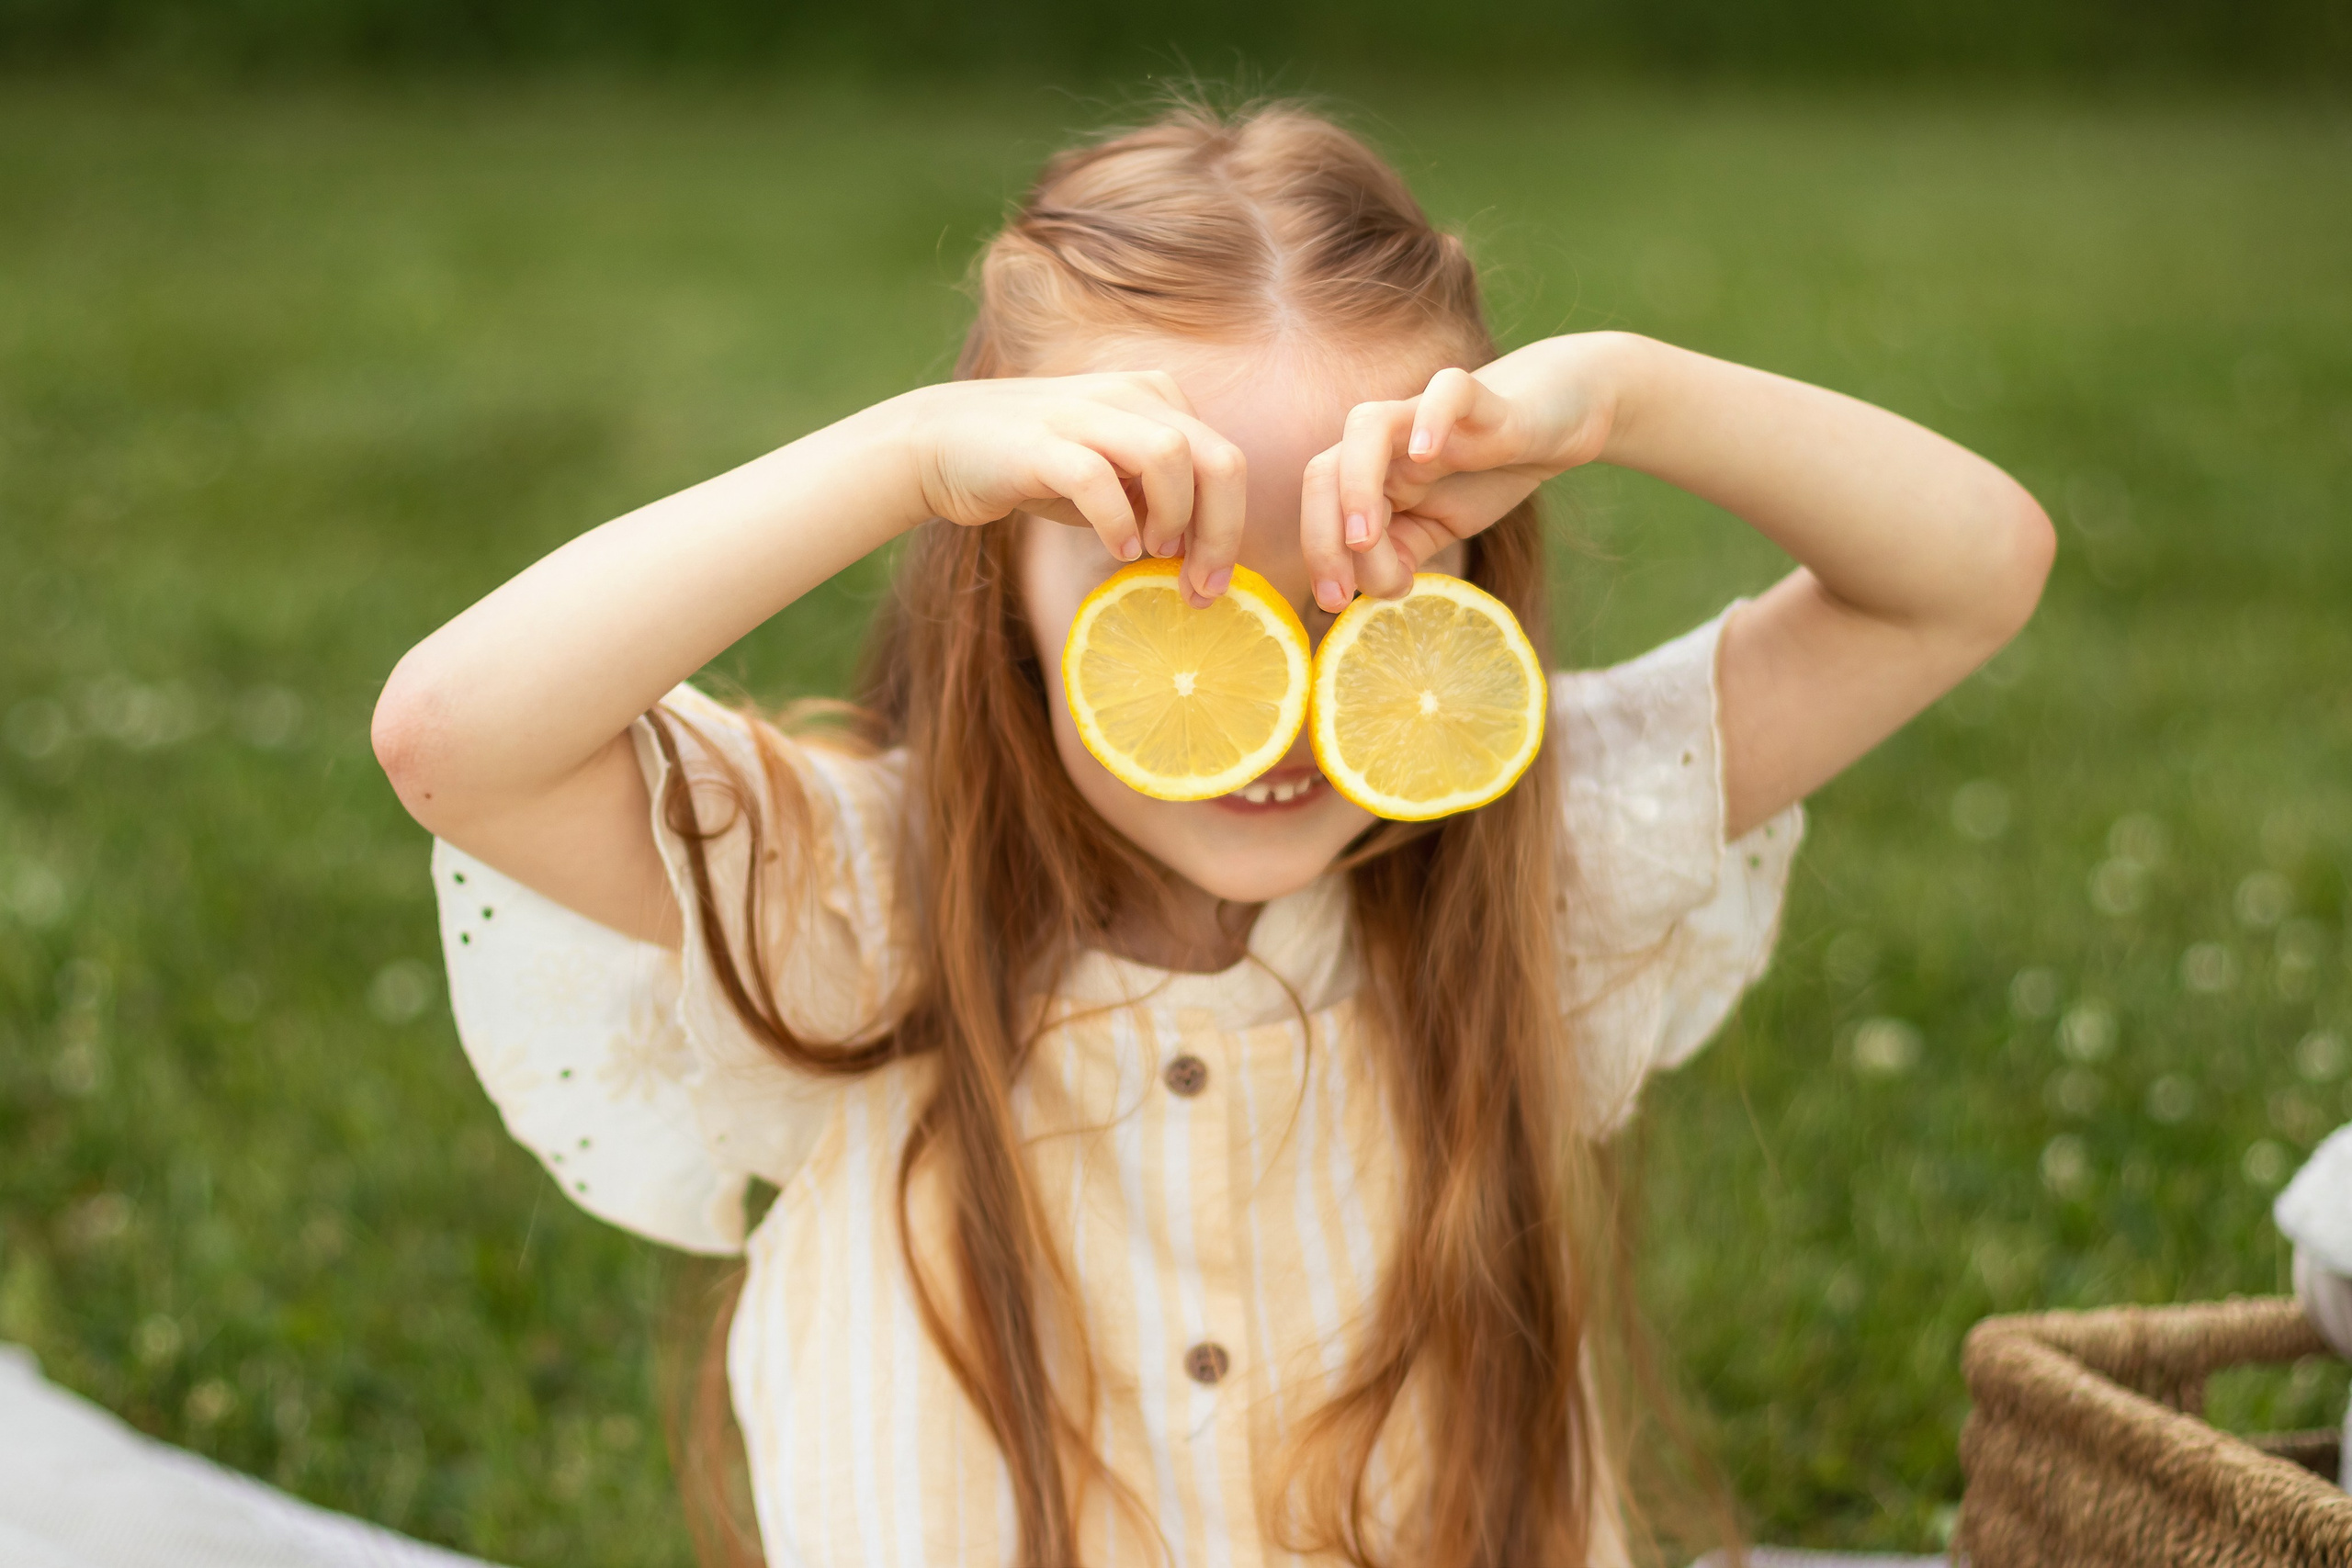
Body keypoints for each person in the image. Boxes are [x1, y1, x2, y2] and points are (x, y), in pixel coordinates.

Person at [371, 100, 2054, 1568]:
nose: (1287, 696)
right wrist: (901, 457)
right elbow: (459, 739)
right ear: (1004, 592)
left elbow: (1968, 577)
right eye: (1167, 587)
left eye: (1353, 578)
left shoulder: (1543, 857)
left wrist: (1626, 395)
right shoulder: (859, 894)